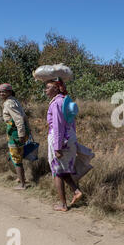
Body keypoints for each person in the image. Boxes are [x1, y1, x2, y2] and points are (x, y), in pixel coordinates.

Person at [45, 79, 83, 211]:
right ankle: (76, 191)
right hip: (69, 138)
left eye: (48, 87)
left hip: (60, 140)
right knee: (62, 168)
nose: (45, 90)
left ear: (56, 88)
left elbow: (58, 126)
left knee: (57, 171)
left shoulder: (56, 103)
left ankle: (63, 204)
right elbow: (72, 123)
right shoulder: (67, 101)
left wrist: (57, 147)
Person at [0, 83, 31, 190]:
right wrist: (27, 130)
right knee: (18, 156)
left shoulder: (9, 103)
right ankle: (21, 178)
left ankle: (22, 184)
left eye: (4, 91)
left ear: (10, 92)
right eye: (0, 91)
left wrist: (21, 134)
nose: (1, 93)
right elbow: (24, 116)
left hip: (15, 134)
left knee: (16, 158)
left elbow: (19, 119)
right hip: (19, 132)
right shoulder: (14, 101)